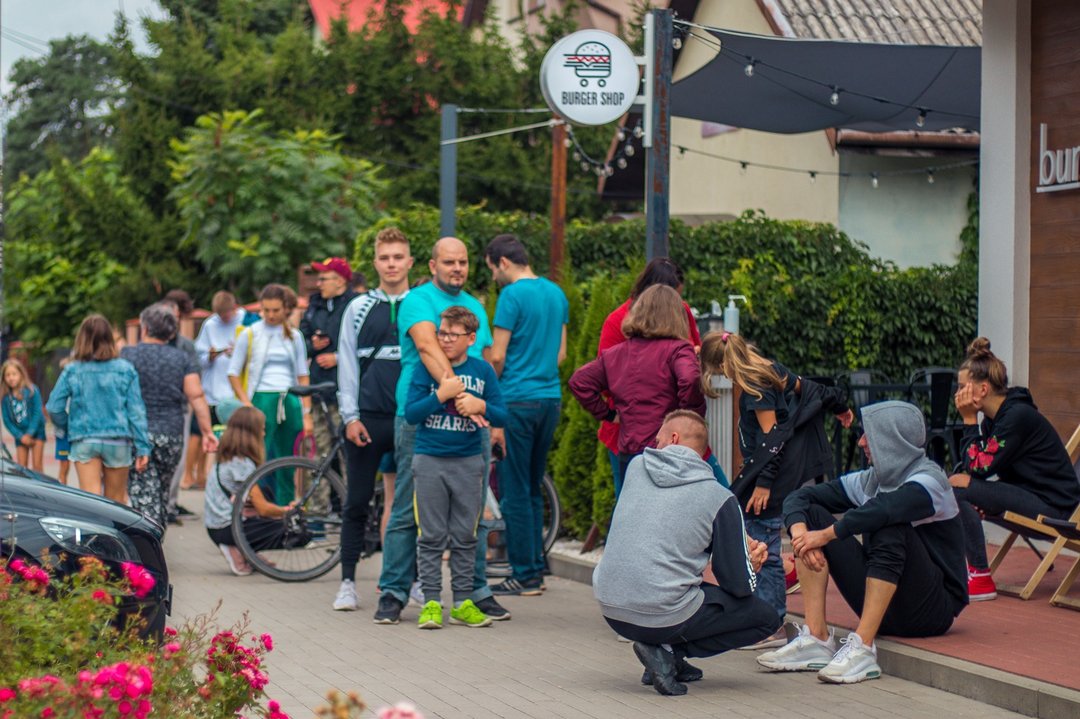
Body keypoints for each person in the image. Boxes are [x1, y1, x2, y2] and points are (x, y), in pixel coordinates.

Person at [757, 401, 967, 684]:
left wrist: (826, 535)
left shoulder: (931, 480)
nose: (861, 442)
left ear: (893, 439)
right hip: (884, 608)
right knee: (812, 515)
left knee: (885, 521)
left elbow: (886, 509)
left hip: (931, 612)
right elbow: (800, 497)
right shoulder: (872, 479)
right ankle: (817, 639)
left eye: (870, 435)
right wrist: (800, 533)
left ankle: (864, 648)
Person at [374, 236, 509, 626]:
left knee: (473, 514)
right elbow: (428, 348)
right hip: (420, 422)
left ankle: (474, 592)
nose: (457, 268)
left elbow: (487, 361)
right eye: (449, 262)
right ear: (433, 266)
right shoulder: (418, 301)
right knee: (406, 510)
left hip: (473, 426)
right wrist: (460, 396)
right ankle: (393, 592)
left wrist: (490, 416)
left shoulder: (475, 307)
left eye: (463, 262)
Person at [594, 410, 776, 696]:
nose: (654, 446)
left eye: (658, 440)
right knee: (766, 617)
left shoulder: (636, 468)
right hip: (661, 613)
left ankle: (665, 656)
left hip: (610, 607)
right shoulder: (719, 497)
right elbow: (737, 585)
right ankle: (668, 653)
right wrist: (750, 565)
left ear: (673, 438)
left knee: (684, 588)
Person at [699, 331, 853, 644]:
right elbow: (811, 389)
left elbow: (773, 439)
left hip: (774, 477)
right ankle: (767, 616)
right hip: (784, 472)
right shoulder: (773, 370)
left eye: (718, 371)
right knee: (761, 539)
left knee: (763, 545)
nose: (722, 377)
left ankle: (771, 624)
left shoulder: (756, 387)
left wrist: (763, 484)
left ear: (724, 365)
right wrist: (840, 406)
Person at [949, 337, 1080, 601]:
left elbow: (979, 468)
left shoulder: (1017, 416)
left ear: (983, 389)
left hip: (1058, 509)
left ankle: (980, 577)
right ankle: (976, 573)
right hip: (1032, 497)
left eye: (963, 387)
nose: (957, 394)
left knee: (958, 489)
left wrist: (968, 420)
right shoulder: (993, 421)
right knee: (959, 486)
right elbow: (973, 469)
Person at [405, 306, 508, 629]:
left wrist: (481, 405)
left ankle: (463, 602)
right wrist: (440, 395)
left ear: (471, 338)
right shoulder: (425, 369)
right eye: (442, 333)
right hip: (429, 460)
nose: (445, 340)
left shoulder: (482, 370)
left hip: (468, 463)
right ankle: (431, 602)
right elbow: (411, 414)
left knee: (466, 534)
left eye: (453, 334)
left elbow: (503, 414)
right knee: (431, 536)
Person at [333, 228, 413, 611]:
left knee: (408, 507)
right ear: (376, 263)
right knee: (357, 502)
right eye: (385, 258)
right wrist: (350, 416)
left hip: (409, 419)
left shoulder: (421, 303)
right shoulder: (358, 307)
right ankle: (347, 582)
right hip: (367, 420)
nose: (391, 264)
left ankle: (408, 581)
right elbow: (346, 366)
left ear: (410, 262)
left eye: (398, 257)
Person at [484, 234, 568, 597]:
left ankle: (524, 575)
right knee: (532, 486)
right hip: (549, 399)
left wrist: (488, 391)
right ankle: (536, 566)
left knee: (514, 491)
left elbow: (498, 355)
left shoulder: (511, 296)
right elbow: (561, 355)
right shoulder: (556, 293)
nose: (493, 278)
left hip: (516, 401)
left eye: (492, 270)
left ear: (503, 262)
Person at [569, 285, 706, 492]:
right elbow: (690, 378)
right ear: (676, 316)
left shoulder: (617, 353)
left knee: (634, 508)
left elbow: (579, 382)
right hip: (666, 450)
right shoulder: (678, 349)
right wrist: (688, 417)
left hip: (630, 452)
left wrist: (609, 414)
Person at [596, 258, 704, 486]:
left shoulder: (681, 310)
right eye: (674, 296)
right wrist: (610, 414)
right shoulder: (617, 321)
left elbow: (694, 350)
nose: (678, 303)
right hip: (633, 435)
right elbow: (602, 381)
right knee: (633, 499)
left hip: (677, 433)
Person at [122, 304, 218, 528]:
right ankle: (157, 532)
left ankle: (148, 540)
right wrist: (207, 432)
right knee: (162, 493)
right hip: (171, 434)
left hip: (138, 434)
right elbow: (196, 395)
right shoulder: (181, 358)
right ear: (171, 332)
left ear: (144, 328)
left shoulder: (128, 355)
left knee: (144, 498)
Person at [46, 315, 150, 502]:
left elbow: (54, 407)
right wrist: (142, 447)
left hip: (85, 440)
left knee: (91, 502)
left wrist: (69, 428)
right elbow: (136, 412)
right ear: (109, 338)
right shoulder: (125, 369)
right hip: (118, 441)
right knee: (116, 502)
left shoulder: (73, 369)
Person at [227, 284, 314, 504]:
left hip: (289, 398)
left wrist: (306, 412)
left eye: (276, 310)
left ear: (286, 309)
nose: (271, 315)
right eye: (266, 310)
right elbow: (233, 372)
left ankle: (286, 507)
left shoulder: (294, 336)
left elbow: (303, 375)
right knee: (258, 455)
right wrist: (246, 403)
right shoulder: (251, 333)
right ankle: (257, 504)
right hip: (261, 398)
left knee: (288, 458)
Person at [204, 404, 298, 576]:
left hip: (217, 525)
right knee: (295, 532)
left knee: (266, 493)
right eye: (261, 429)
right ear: (251, 433)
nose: (263, 434)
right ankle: (237, 547)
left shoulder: (228, 456)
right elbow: (263, 509)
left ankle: (247, 552)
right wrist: (288, 511)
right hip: (226, 529)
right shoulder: (242, 463)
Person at [300, 257, 359, 467]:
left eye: (324, 279)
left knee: (347, 452)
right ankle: (321, 490)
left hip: (346, 392)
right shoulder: (314, 306)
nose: (319, 284)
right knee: (320, 453)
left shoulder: (356, 305)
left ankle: (349, 489)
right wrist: (312, 344)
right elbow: (299, 342)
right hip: (319, 389)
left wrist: (338, 358)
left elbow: (366, 345)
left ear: (340, 281)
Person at [189, 291, 245, 489]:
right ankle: (200, 476)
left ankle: (228, 477)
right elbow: (199, 358)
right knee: (206, 436)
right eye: (220, 315)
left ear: (234, 308)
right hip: (212, 390)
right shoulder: (210, 325)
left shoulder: (246, 321)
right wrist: (211, 356)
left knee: (232, 438)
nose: (223, 318)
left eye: (226, 314)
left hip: (235, 391)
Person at [1, 358, 46, 472]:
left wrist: (30, 433)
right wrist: (20, 436)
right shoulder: (5, 397)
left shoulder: (32, 390)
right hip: (20, 435)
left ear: (21, 374)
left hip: (37, 432)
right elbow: (6, 420)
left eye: (14, 374)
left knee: (37, 467)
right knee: (22, 468)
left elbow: (37, 413)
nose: (11, 378)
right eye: (8, 375)